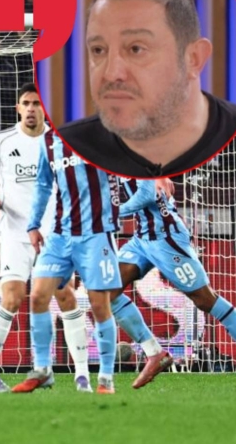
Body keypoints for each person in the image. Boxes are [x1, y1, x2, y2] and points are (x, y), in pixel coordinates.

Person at [58, 0, 236, 177]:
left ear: (194, 59)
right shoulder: (60, 151)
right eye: (98, 50)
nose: (111, 73)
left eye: (136, 49)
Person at [0, 85, 93, 393]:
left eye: (36, 104)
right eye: (25, 103)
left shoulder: (61, 142)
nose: (30, 109)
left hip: (54, 235)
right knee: (12, 298)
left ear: (45, 109)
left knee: (65, 297)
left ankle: (82, 375)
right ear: (17, 108)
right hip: (13, 233)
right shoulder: (2, 141)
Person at [108, 177, 236, 391]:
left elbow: (146, 194)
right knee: (107, 290)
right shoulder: (118, 159)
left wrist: (110, 214)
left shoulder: (137, 158)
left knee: (205, 300)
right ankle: (154, 353)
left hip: (167, 239)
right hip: (142, 239)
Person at [12, 130, 142, 394]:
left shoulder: (99, 132)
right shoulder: (49, 141)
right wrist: (34, 224)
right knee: (37, 296)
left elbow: (132, 157)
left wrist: (156, 176)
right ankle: (43, 370)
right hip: (60, 235)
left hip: (96, 234)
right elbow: (43, 184)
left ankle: (105, 378)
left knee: (100, 304)